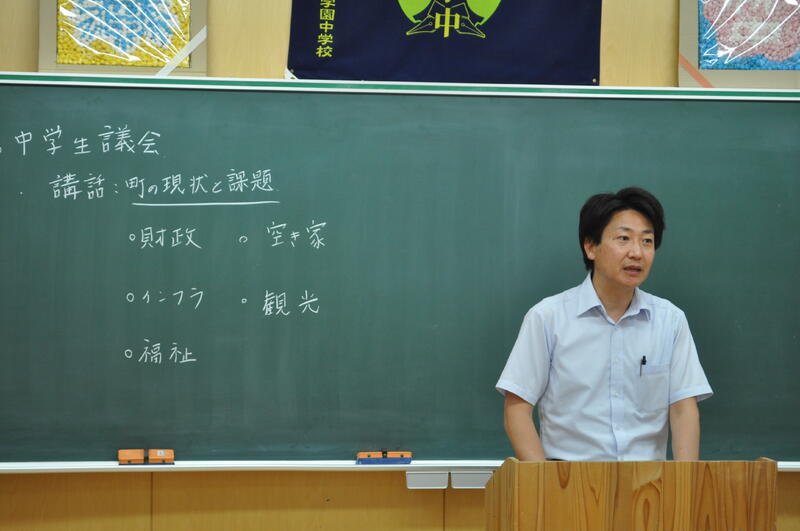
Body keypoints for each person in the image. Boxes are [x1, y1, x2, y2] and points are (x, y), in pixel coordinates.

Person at [496, 187, 712, 461]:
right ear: (590, 247)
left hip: (647, 481)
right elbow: (517, 408)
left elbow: (683, 409)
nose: (637, 252)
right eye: (624, 238)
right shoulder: (548, 317)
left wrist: (685, 482)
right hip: (567, 479)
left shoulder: (670, 320)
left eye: (647, 241)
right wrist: (543, 481)